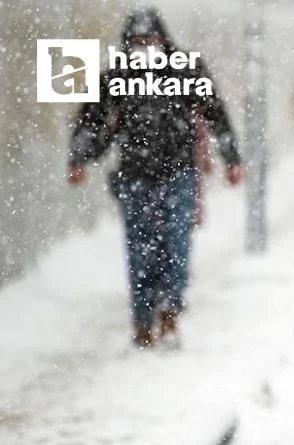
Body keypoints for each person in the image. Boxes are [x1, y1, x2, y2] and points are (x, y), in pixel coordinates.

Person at [67, 8, 242, 350]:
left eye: (149, 40)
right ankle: (143, 319)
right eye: (137, 41)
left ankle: (170, 311)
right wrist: (80, 157)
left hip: (179, 172)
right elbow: (92, 118)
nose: (144, 47)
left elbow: (215, 112)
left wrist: (231, 158)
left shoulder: (185, 70)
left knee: (176, 245)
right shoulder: (115, 75)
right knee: (140, 250)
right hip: (135, 176)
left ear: (163, 40)